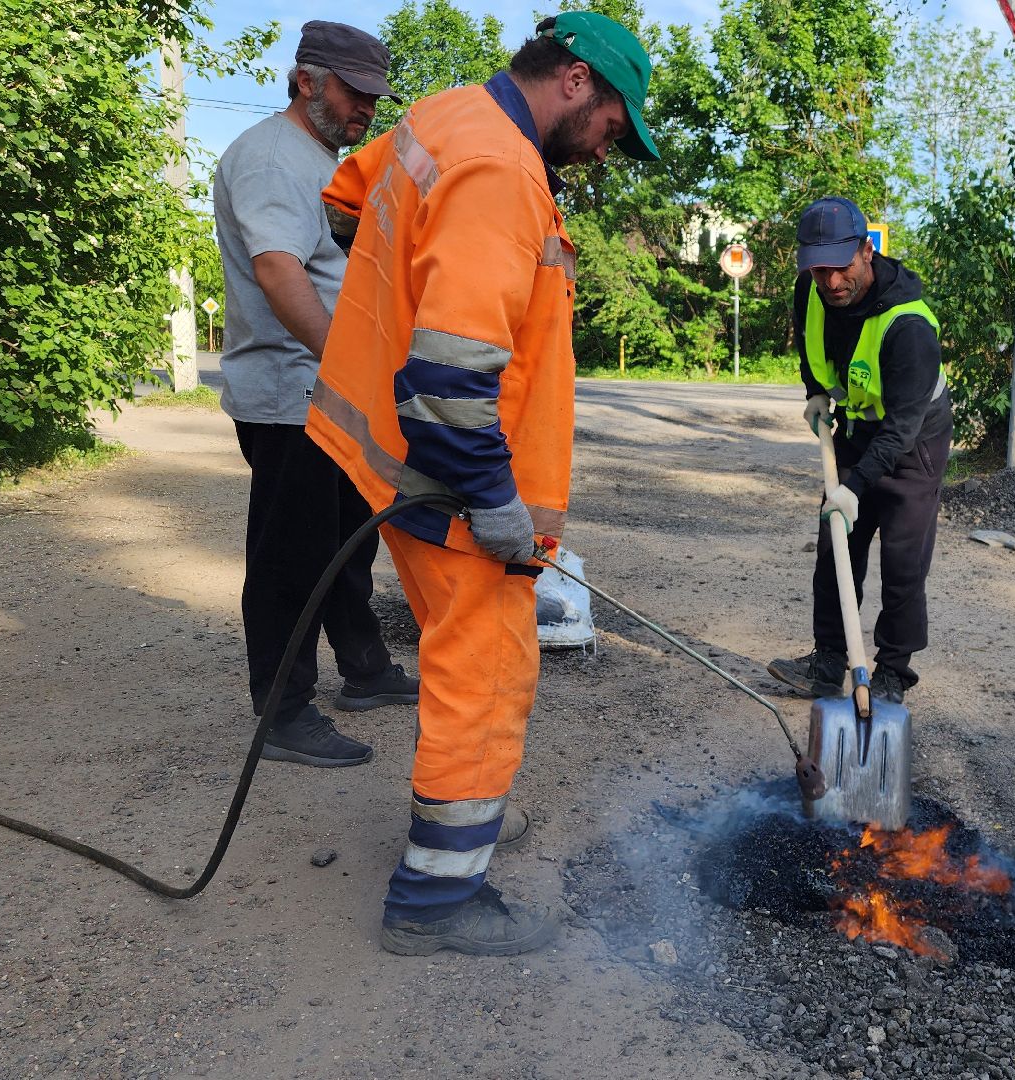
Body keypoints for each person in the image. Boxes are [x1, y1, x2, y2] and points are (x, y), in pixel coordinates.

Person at [308, 11, 662, 956]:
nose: (608, 146)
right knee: (488, 671)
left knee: (460, 655)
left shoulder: (447, 114)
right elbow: (455, 374)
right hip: (450, 480)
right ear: (579, 81)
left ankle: (457, 819)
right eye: (615, 123)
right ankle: (435, 900)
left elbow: (345, 202)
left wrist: (396, 305)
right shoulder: (502, 171)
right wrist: (495, 500)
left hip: (393, 456)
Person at [212, 21, 418, 770]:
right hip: (296, 394)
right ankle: (283, 712)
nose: (367, 107)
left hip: (330, 393)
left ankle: (364, 671)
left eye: (373, 95)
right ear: (307, 80)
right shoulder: (271, 158)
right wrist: (342, 365)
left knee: (345, 542)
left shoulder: (318, 159)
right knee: (290, 557)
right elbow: (278, 271)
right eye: (354, 91)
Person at [768, 196, 951, 707]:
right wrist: (815, 391)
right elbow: (809, 341)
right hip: (855, 427)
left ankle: (891, 672)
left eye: (841, 267)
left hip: (914, 439)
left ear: (866, 251)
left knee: (903, 560)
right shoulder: (812, 288)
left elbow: (901, 431)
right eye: (819, 269)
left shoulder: (909, 327)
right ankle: (830, 660)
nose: (831, 282)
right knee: (836, 545)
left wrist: (855, 486)